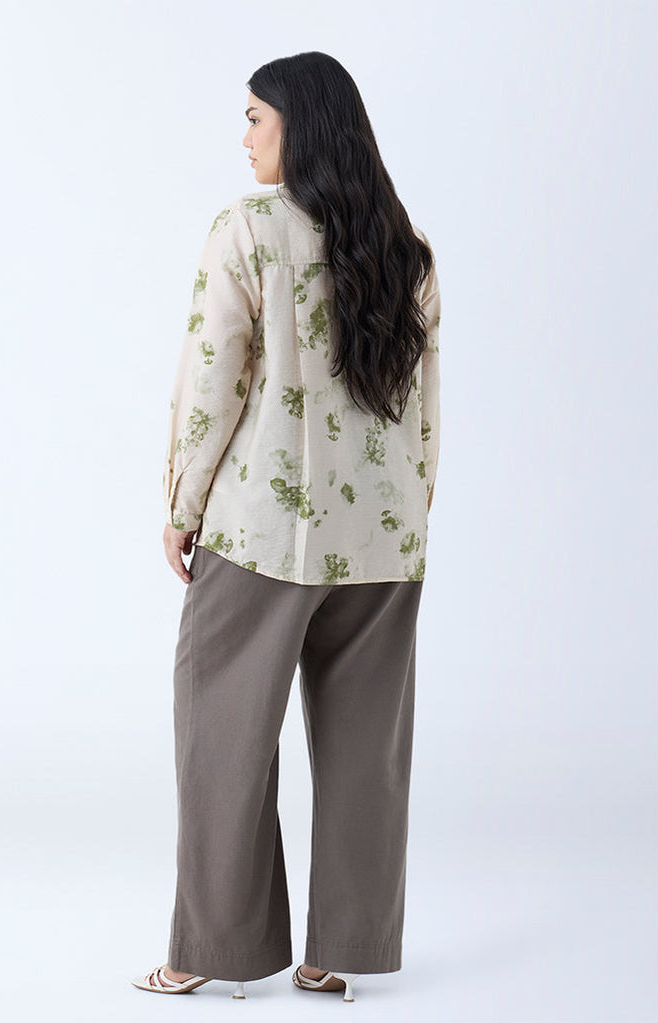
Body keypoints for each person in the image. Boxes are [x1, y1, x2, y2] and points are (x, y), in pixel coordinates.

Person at [131, 50, 441, 1002]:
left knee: (220, 738)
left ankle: (209, 949)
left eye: (255, 118)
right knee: (365, 753)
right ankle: (338, 948)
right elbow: (424, 408)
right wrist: (414, 518)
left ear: (298, 125)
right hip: (384, 540)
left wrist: (181, 505)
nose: (244, 137)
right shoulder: (405, 245)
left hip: (264, 530)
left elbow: (211, 381)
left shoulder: (249, 229)